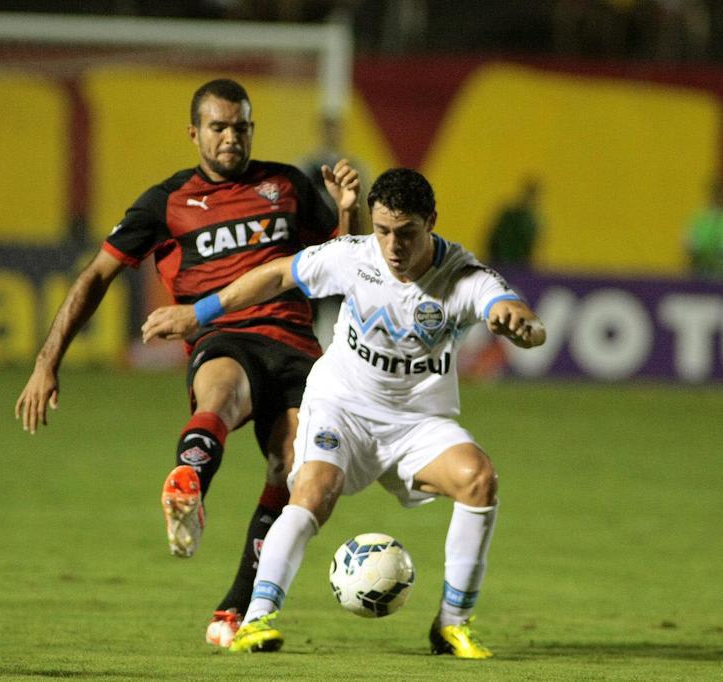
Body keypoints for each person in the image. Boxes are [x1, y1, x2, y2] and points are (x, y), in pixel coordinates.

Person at [142, 167, 547, 658]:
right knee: (313, 491)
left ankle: (451, 625)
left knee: (479, 480)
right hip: (342, 407)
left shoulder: (461, 275)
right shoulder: (355, 257)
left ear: (431, 223)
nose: (392, 245)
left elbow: (508, 306)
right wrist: (195, 313)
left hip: (417, 423)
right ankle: (256, 620)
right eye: (382, 231)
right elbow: (275, 274)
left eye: (406, 233)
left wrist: (520, 323)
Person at [14, 78, 361, 646]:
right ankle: (188, 485)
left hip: (298, 347)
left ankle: (235, 612)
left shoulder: (287, 185)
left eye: (242, 127)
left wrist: (348, 213)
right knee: (219, 395)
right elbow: (96, 275)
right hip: (224, 335)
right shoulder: (167, 201)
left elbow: (347, 262)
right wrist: (46, 362)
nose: (231, 138)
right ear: (194, 132)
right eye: (219, 127)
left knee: (293, 469)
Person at [485, 177, 542, 267]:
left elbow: (530, 246)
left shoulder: (531, 221)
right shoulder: (509, 215)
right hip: (499, 261)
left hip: (518, 264)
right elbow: (494, 238)